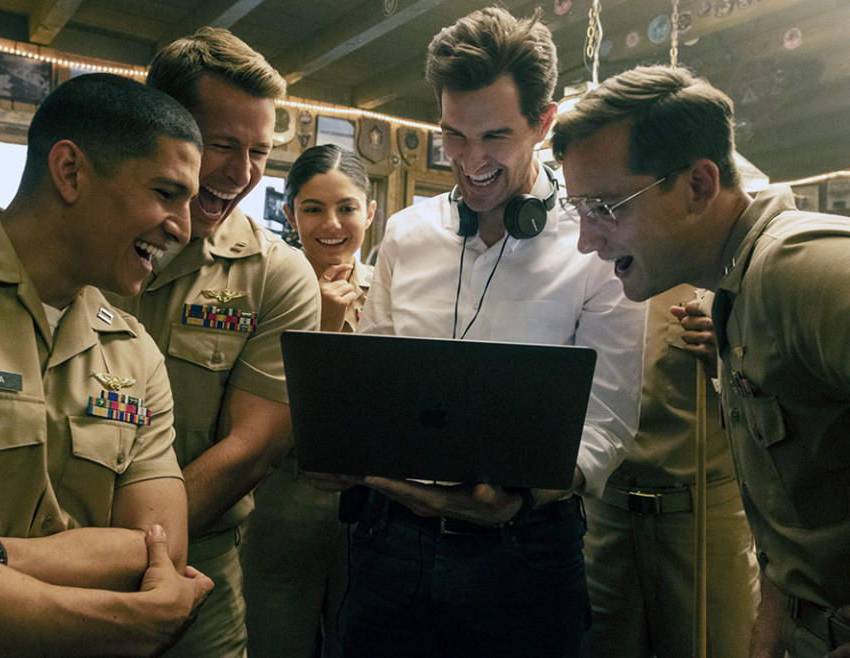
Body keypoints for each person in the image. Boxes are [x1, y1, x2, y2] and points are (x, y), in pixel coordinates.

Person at [319, 8, 646, 656]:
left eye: (493, 136)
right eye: (453, 136)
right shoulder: (407, 235)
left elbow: (606, 421)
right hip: (390, 546)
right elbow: (379, 378)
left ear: (544, 123)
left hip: (526, 553)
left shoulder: (596, 246)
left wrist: (522, 497)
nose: (469, 161)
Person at [0, 73, 213, 655]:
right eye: (167, 193)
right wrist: (120, 619)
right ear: (70, 172)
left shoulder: (132, 350)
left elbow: (164, 553)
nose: (184, 228)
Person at [552, 64, 850, 658]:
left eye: (607, 207)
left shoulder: (797, 269)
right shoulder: (740, 291)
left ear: (698, 185)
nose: (587, 241)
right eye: (578, 208)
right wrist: (776, 611)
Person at [109, 27, 321, 657]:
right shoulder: (89, 236)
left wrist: (125, 551)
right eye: (223, 145)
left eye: (260, 151)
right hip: (40, 555)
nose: (242, 173)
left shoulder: (275, 273)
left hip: (197, 574)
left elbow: (252, 449)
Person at [242, 144, 375, 657]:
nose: (331, 224)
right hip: (279, 503)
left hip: (369, 510)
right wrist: (320, 323)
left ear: (370, 211)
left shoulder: (394, 289)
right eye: (313, 208)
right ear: (290, 213)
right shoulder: (264, 289)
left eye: (346, 207)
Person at [583, 284, 760, 657]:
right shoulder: (590, 273)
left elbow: (783, 398)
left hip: (704, 521)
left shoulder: (723, 277)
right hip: (601, 516)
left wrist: (726, 359)